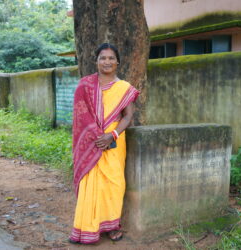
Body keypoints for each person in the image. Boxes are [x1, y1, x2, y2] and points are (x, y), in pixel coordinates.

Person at [69, 43, 139, 244]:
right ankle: (87, 227)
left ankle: (112, 225)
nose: (107, 62)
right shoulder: (85, 85)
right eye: (102, 58)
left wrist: (112, 135)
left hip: (114, 143)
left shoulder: (124, 88)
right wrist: (96, 135)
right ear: (96, 61)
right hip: (92, 143)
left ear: (117, 61)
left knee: (115, 184)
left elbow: (128, 117)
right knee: (91, 184)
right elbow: (80, 116)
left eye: (111, 58)